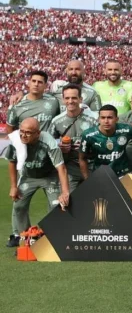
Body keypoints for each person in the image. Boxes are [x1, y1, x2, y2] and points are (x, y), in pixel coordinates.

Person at [5, 70, 60, 247]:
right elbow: (10, 130)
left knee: (56, 205)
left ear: (46, 85)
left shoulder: (53, 101)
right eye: (33, 81)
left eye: (40, 82)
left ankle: (52, 237)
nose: (36, 84)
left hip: (49, 159)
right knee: (19, 203)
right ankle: (21, 235)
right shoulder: (17, 105)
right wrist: (20, 146)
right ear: (28, 82)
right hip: (28, 165)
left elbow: (71, 95)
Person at [4, 118, 70, 241]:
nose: (23, 135)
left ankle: (53, 238)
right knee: (18, 206)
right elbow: (12, 162)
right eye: (22, 131)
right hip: (28, 177)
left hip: (49, 176)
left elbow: (61, 168)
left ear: (38, 133)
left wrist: (65, 192)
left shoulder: (49, 142)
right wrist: (13, 186)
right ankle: (26, 237)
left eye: (28, 132)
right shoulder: (15, 141)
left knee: (57, 205)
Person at [49, 84, 98, 191]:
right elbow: (49, 144)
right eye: (67, 98)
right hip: (69, 168)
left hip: (91, 166)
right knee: (70, 202)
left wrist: (88, 146)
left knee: (95, 201)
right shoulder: (56, 121)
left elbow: (102, 141)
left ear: (81, 99)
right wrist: (59, 146)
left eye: (74, 98)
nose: (70, 101)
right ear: (63, 100)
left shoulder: (94, 119)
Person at [79, 105, 132, 179]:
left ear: (117, 119)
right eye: (103, 118)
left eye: (110, 117)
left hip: (124, 173)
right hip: (101, 174)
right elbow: (82, 158)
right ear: (98, 119)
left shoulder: (126, 130)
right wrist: (87, 180)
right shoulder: (88, 135)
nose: (106, 121)